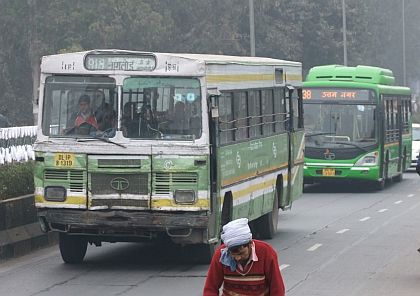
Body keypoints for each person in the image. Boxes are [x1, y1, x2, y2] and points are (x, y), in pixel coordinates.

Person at [203, 218, 285, 296]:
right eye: (234, 254)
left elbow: (277, 289)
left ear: (250, 244)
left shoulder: (266, 253)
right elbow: (210, 288)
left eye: (241, 253)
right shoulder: (221, 255)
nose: (237, 258)